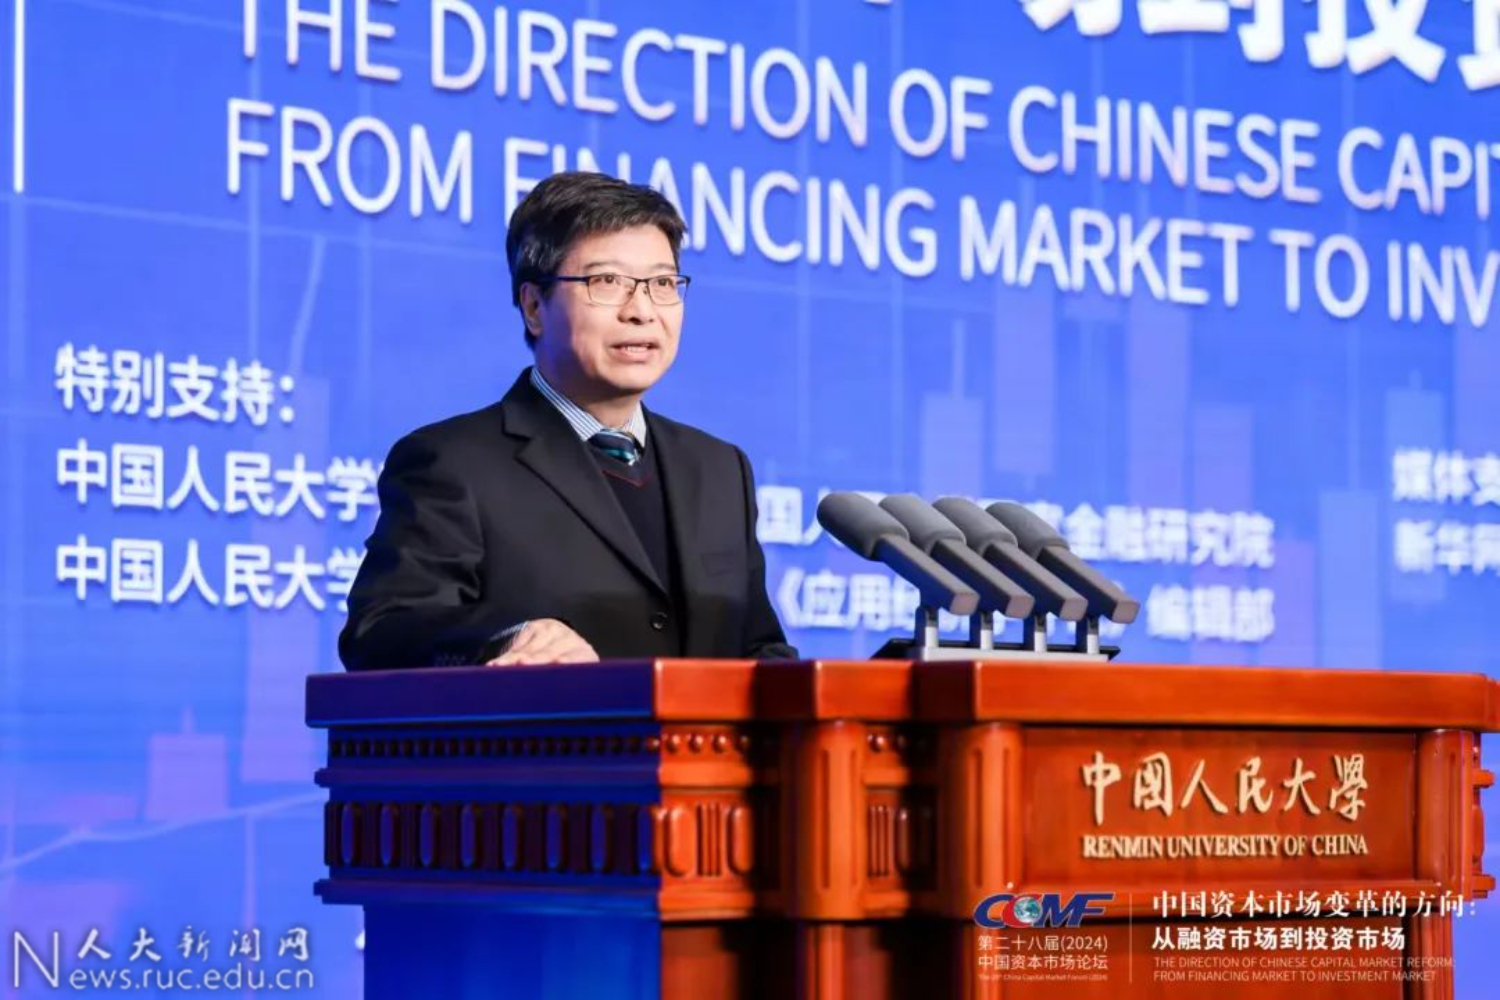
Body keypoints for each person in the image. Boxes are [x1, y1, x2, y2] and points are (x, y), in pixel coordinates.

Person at [339, 171, 797, 670]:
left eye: (663, 283)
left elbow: (759, 650)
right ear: (534, 307)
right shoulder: (454, 462)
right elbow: (381, 630)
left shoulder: (719, 468)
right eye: (607, 282)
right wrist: (507, 637)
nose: (642, 311)